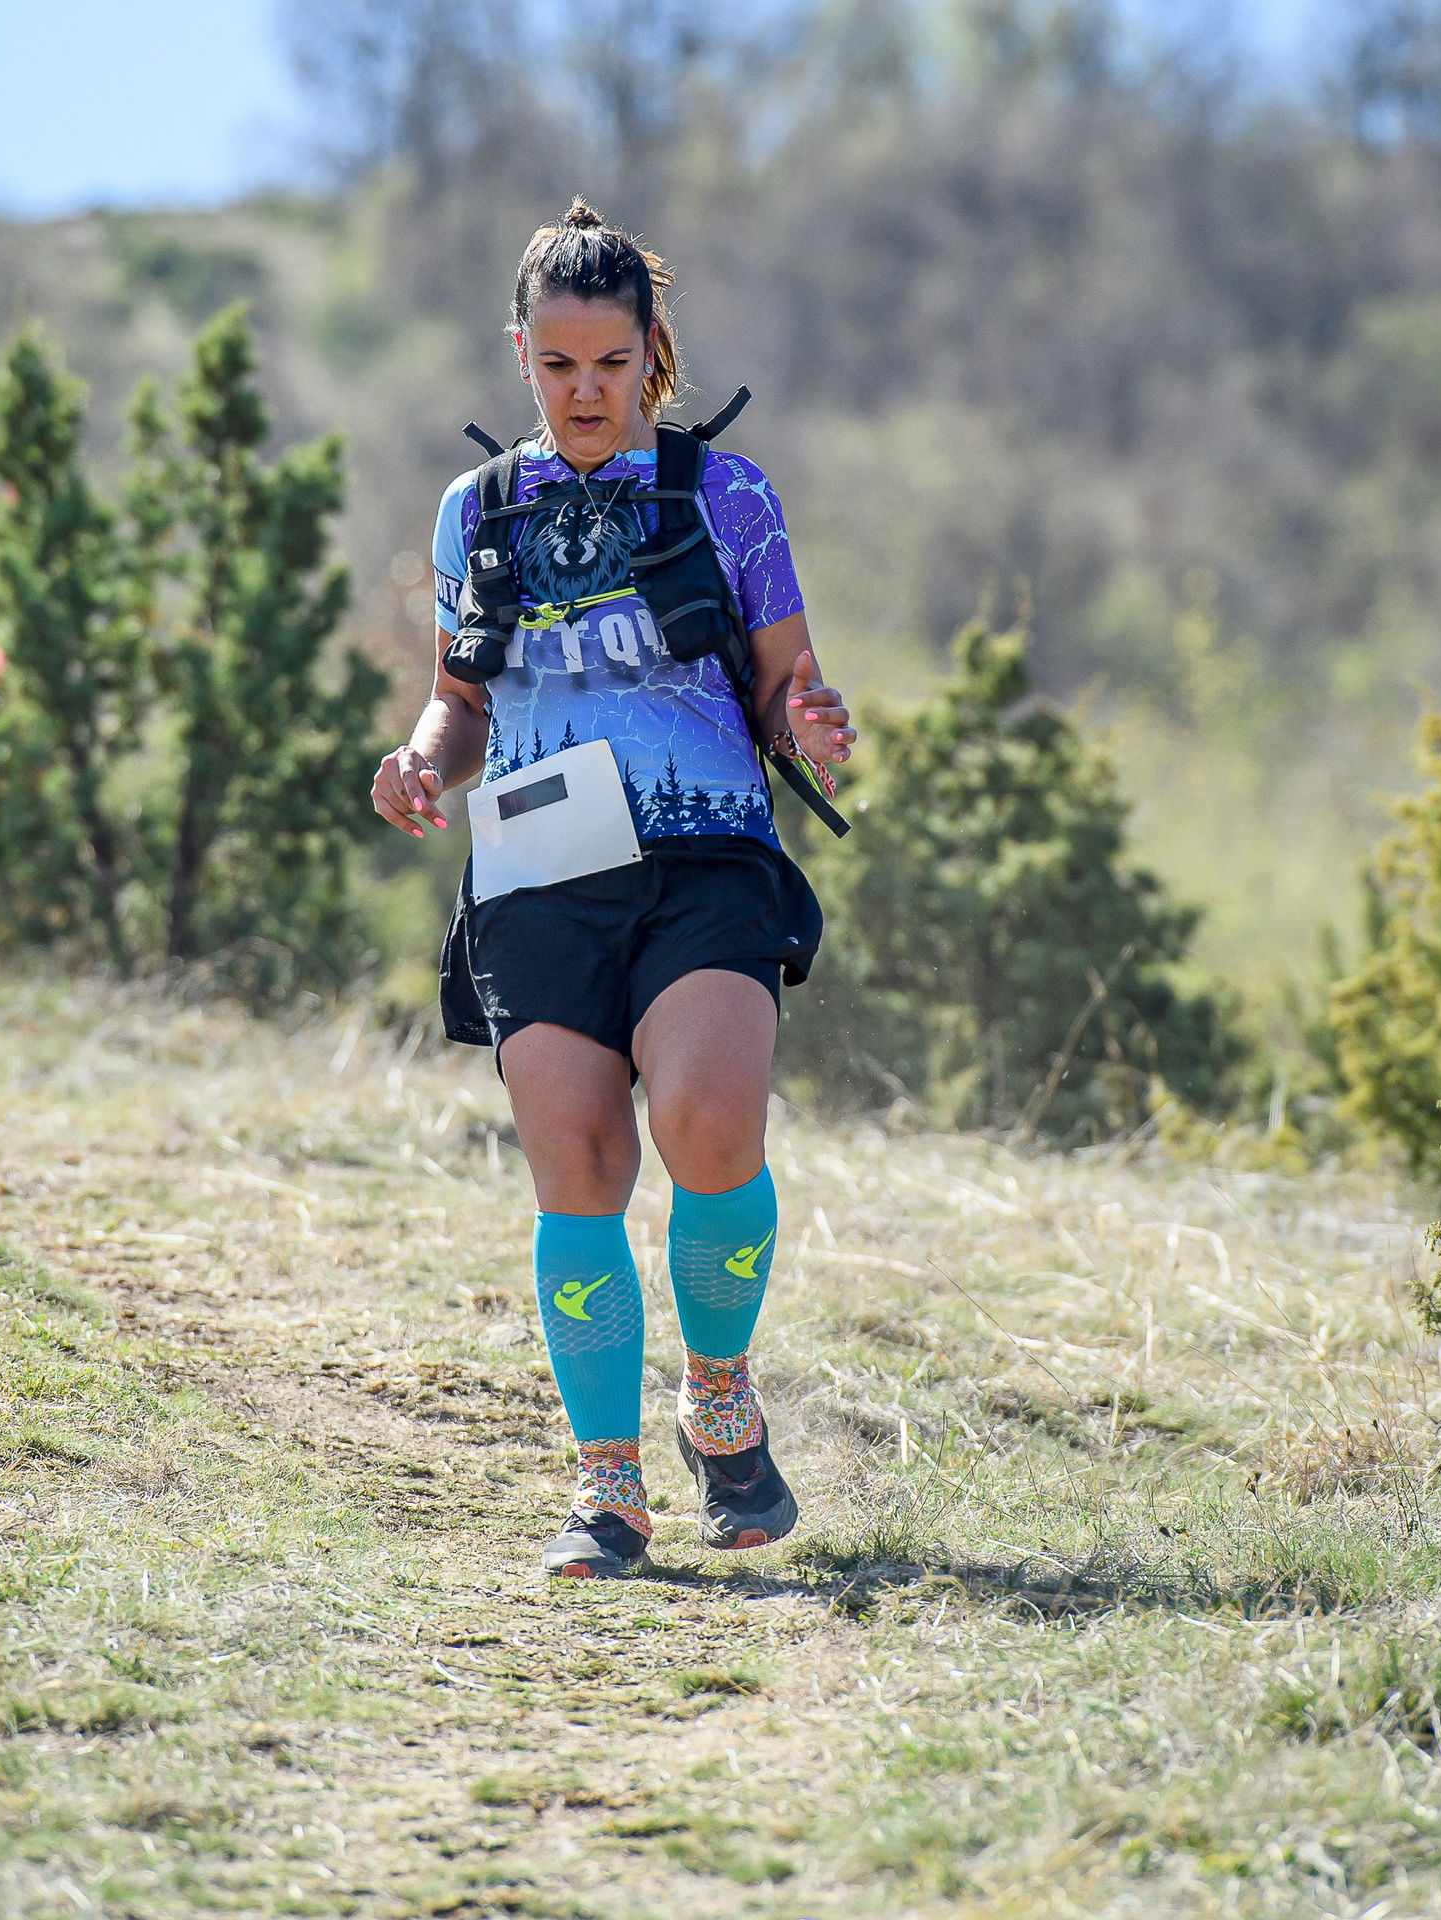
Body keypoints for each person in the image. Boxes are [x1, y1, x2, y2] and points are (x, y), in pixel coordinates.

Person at [368, 199, 856, 1579]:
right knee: (577, 1167)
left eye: (611, 364)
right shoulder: (484, 510)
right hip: (539, 876)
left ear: (652, 353)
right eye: (559, 364)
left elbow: (784, 688)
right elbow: (462, 704)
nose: (586, 392)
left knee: (712, 1124)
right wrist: (418, 763)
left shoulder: (728, 497)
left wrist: (812, 723)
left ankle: (718, 1392)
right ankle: (607, 1491)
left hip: (706, 852)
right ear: (521, 353)